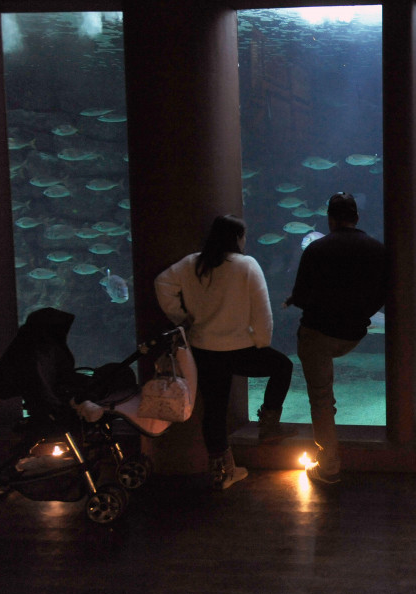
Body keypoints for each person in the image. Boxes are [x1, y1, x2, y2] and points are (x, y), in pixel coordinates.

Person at [155, 214, 294, 490]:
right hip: (240, 348)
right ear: (236, 238)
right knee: (283, 367)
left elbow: (162, 283)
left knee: (214, 410)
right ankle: (268, 425)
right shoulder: (246, 265)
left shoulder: (193, 263)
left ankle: (223, 472)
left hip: (204, 349)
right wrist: (262, 341)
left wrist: (180, 316)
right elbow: (262, 309)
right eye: (243, 236)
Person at [282, 192, 385, 485]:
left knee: (322, 398)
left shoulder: (317, 249)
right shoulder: (377, 249)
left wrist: (300, 301)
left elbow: (301, 295)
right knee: (323, 396)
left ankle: (328, 466)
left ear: (330, 219)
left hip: (318, 334)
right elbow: (384, 292)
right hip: (354, 334)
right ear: (357, 218)